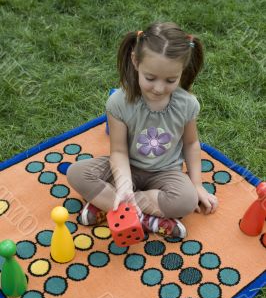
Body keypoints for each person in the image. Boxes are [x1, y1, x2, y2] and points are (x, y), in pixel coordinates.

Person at [67, 21, 218, 238]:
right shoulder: (119, 102)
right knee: (77, 173)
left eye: (170, 80)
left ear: (181, 71)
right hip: (126, 166)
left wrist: (197, 184)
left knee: (187, 200)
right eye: (150, 78)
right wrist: (125, 184)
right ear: (135, 61)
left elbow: (191, 143)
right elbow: (118, 151)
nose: (158, 88)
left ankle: (112, 205)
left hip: (165, 173)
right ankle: (147, 219)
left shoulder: (187, 104)